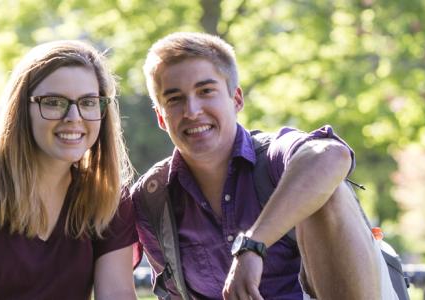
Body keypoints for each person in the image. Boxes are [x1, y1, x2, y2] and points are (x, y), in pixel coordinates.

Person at [128, 32, 382, 300]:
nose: (192, 110)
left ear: (236, 99)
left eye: (206, 91)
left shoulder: (274, 158)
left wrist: (252, 246)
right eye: (175, 99)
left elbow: (331, 155)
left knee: (325, 190)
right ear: (160, 116)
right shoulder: (153, 199)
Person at [0, 40, 137, 299]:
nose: (74, 117)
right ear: (22, 108)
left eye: (88, 102)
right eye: (54, 102)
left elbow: (117, 294)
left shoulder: (108, 197)